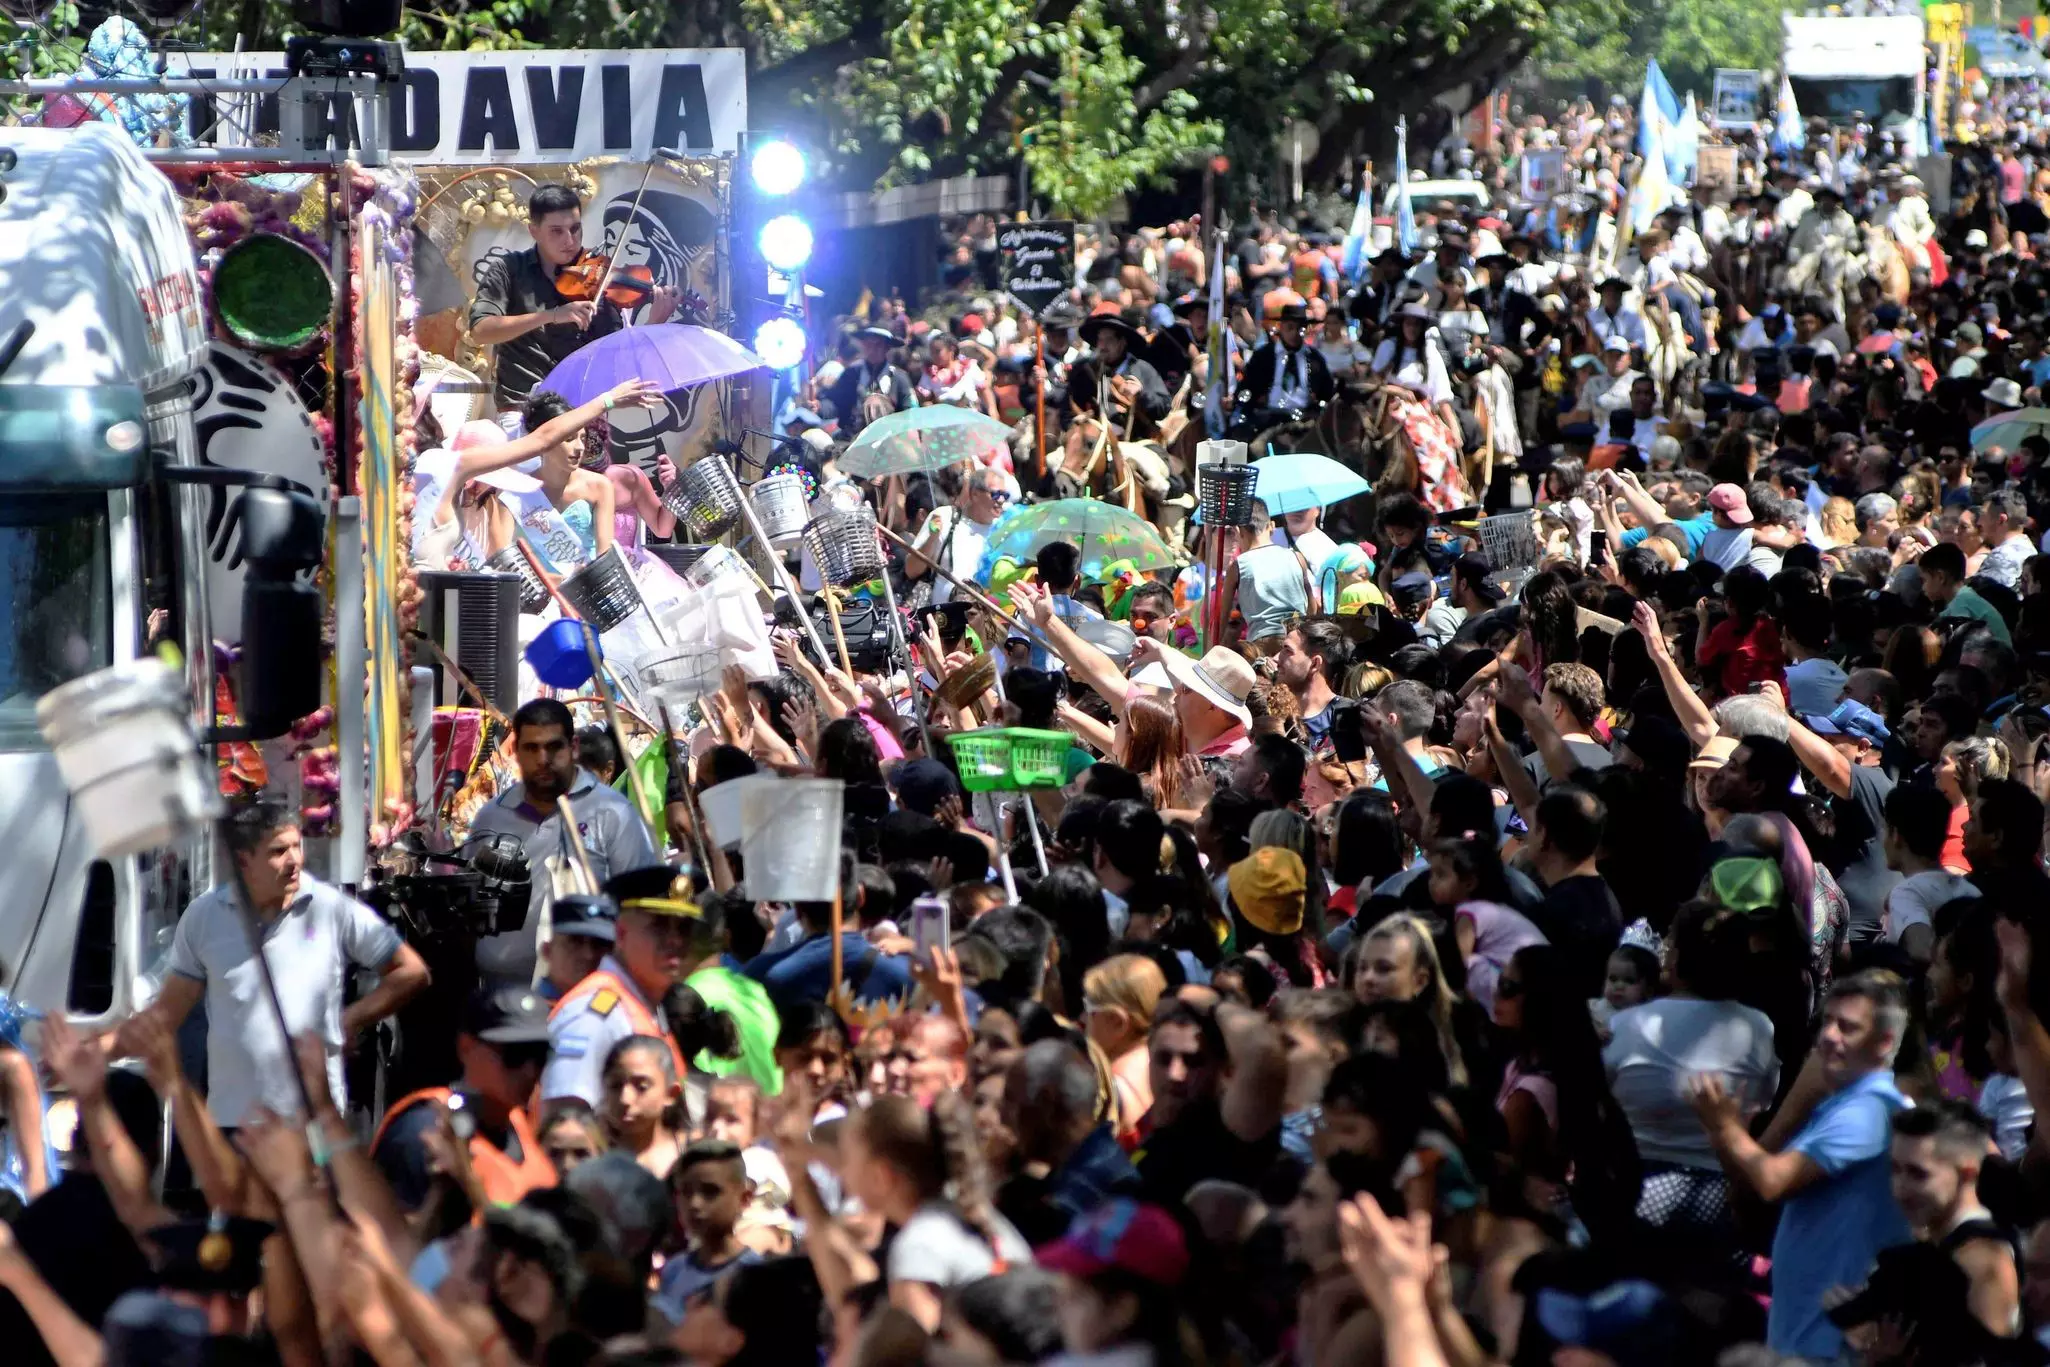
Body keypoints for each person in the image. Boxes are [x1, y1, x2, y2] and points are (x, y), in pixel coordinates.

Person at [128, 794, 430, 1130]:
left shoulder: (330, 908)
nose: (294, 860)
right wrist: (100, 1050)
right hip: (235, 1125)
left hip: (313, 1122)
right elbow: (167, 1015)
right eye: (278, 851)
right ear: (244, 861)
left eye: (296, 846)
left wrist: (348, 1020)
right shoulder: (204, 917)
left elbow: (411, 972)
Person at [1689, 969, 1913, 1361]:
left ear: (1884, 1043)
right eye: (1827, 1022)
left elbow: (1774, 1181)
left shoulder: (1869, 1111)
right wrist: (1724, 1133)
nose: (1829, 1036)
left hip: (1829, 1343)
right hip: (1805, 1331)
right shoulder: (1844, 1105)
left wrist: (1727, 1128)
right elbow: (1756, 1182)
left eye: (1848, 1028)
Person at [469, 698, 661, 983]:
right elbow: (471, 901)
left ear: (572, 749)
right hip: (502, 998)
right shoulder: (491, 817)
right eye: (531, 748)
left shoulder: (612, 813)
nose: (543, 759)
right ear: (516, 752)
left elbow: (640, 909)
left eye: (554, 746)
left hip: (584, 996)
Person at [470, 182, 681, 415]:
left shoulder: (602, 276)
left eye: (575, 229)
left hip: (583, 410)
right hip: (523, 409)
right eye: (557, 231)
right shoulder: (508, 270)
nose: (569, 241)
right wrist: (551, 316)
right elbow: (481, 330)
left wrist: (654, 323)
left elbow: (618, 361)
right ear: (534, 231)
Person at [371, 985, 558, 1209]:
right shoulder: (423, 1134)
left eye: (539, 1055)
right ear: (466, 1048)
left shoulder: (518, 1122)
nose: (530, 1071)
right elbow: (400, 1238)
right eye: (515, 1055)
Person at [1889, 1100, 2021, 1338]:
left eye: (1918, 1174)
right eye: (1895, 1170)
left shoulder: (1983, 1262)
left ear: (1967, 1174)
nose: (1900, 1189)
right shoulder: (1936, 1238)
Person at [1236, 302, 1336, 433]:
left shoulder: (1315, 358)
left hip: (1305, 421)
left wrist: (1316, 402)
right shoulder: (1263, 356)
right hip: (1268, 419)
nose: (1294, 333)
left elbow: (1327, 393)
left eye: (1299, 328)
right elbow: (1246, 388)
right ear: (1280, 327)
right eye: (1290, 327)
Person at [823, 326, 919, 430]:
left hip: (889, 435)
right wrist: (820, 407)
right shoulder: (851, 373)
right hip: (852, 436)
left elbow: (911, 411)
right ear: (863, 345)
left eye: (878, 345)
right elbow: (835, 403)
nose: (873, 349)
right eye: (869, 344)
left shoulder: (899, 377)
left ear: (886, 348)